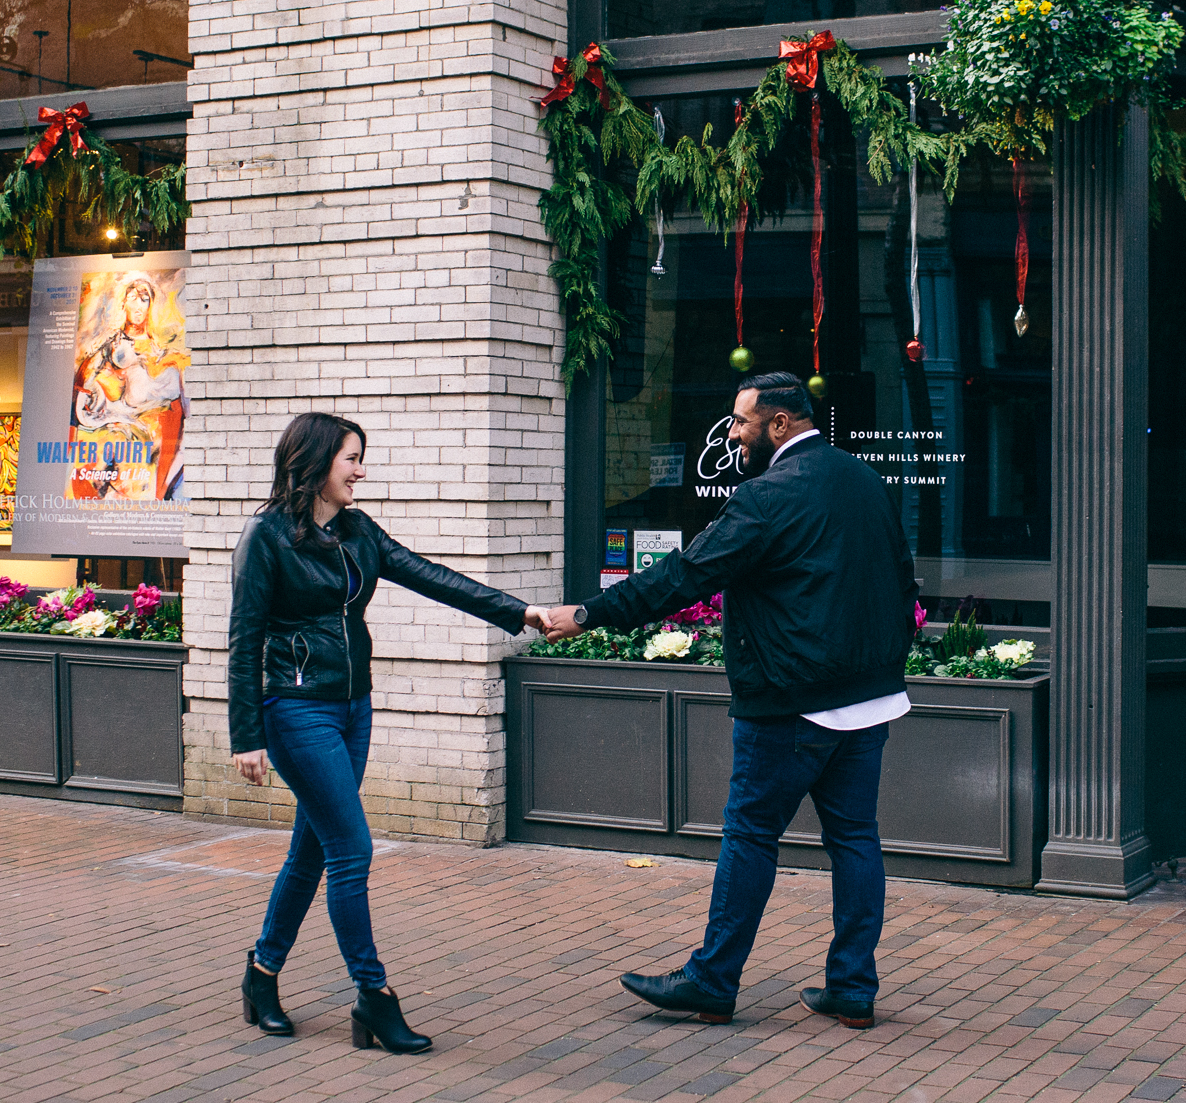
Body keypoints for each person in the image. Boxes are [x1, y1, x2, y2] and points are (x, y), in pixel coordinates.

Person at [539, 372, 918, 1030]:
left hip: (789, 704)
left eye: (741, 421)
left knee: (750, 836)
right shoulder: (866, 481)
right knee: (855, 839)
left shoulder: (764, 497)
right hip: (869, 703)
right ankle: (853, 986)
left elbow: (685, 574)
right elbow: (900, 580)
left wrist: (590, 612)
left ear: (778, 424)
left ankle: (713, 979)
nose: (733, 433)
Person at [230, 411, 552, 1048]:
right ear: (317, 463)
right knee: (353, 851)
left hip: (354, 707)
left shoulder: (357, 531)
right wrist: (246, 734)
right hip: (295, 710)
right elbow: (242, 641)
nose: (360, 470)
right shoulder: (265, 537)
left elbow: (432, 576)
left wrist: (522, 612)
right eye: (351, 458)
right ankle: (374, 996)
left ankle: (261, 975)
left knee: (314, 850)